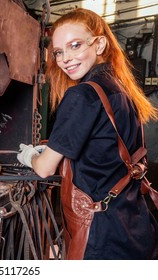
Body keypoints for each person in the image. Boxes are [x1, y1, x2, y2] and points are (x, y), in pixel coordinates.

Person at [17, 7, 158, 259]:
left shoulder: (82, 94)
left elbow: (44, 169)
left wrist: (30, 156)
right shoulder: (121, 90)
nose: (65, 59)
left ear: (100, 44)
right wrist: (53, 147)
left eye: (75, 45)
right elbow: (104, 147)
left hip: (100, 235)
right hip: (135, 225)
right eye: (59, 52)